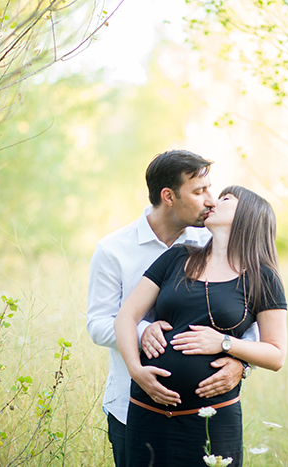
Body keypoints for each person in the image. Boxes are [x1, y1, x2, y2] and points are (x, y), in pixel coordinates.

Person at [86, 150, 259, 467]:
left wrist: (242, 364)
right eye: (198, 192)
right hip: (130, 405)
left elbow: (249, 318)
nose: (210, 200)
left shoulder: (214, 241)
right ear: (168, 196)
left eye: (209, 189)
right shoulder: (113, 250)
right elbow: (98, 323)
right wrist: (141, 331)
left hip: (207, 414)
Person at [114, 186, 288, 467]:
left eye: (225, 199)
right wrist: (136, 371)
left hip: (213, 419)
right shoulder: (177, 257)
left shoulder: (262, 277)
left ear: (248, 215)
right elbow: (125, 316)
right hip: (148, 411)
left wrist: (224, 343)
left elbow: (276, 354)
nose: (212, 202)